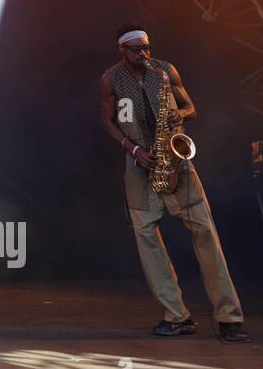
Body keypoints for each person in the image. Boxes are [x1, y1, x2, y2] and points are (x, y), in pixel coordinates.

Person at [98, 24, 247, 341]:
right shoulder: (110, 79)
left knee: (206, 235)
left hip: (176, 160)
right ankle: (177, 317)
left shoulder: (165, 70)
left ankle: (229, 317)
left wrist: (181, 114)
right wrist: (133, 149)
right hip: (139, 167)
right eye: (137, 48)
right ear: (122, 50)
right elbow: (108, 120)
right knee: (147, 242)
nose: (144, 53)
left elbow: (191, 106)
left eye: (147, 47)